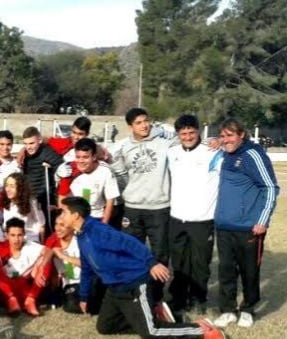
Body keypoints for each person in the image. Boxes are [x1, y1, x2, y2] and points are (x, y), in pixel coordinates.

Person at [59, 197, 226, 339]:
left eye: (64, 212)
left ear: (76, 215)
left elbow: (130, 242)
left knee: (150, 332)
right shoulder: (81, 235)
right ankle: (154, 317)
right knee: (105, 327)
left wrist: (151, 263)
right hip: (114, 288)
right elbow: (87, 268)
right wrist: (84, 296)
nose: (61, 216)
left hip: (134, 283)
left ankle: (201, 330)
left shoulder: (98, 231)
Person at [213, 118, 279, 329]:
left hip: (249, 227)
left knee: (249, 271)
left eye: (230, 135)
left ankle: (248, 309)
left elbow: (269, 188)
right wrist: (217, 142)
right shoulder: (225, 154)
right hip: (224, 225)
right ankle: (228, 310)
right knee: (226, 270)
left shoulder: (252, 154)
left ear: (242, 134)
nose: (226, 140)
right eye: (222, 136)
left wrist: (262, 221)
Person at [110, 108, 175, 301]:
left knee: (160, 254)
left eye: (146, 121)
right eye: (138, 123)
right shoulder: (123, 148)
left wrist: (214, 141)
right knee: (131, 252)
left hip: (159, 207)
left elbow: (189, 140)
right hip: (133, 208)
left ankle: (155, 297)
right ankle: (135, 293)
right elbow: (120, 175)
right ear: (130, 127)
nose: (144, 125)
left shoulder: (165, 143)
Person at [166, 115, 222, 317]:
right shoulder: (171, 152)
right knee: (179, 263)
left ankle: (199, 299)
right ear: (178, 134)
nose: (188, 136)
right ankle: (178, 298)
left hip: (203, 219)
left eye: (191, 132)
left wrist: (220, 140)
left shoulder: (213, 151)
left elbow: (237, 145)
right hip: (177, 217)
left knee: (200, 263)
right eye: (183, 133)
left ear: (198, 131)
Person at [0, 218, 48, 316]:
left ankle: (31, 300)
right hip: (5, 291)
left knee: (46, 259)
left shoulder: (30, 246)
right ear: (6, 235)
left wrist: (40, 266)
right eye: (13, 235)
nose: (16, 239)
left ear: (24, 234)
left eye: (19, 235)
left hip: (25, 289)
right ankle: (11, 300)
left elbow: (49, 251)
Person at [64, 138, 120, 224]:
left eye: (85, 157)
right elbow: (65, 195)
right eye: (78, 157)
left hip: (96, 218)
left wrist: (103, 225)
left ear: (94, 157)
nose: (81, 161)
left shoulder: (105, 171)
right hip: (75, 217)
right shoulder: (70, 169)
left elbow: (110, 201)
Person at [19, 126, 63, 230]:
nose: (28, 147)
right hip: (30, 197)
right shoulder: (24, 153)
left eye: (31, 143)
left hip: (44, 197)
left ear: (39, 140)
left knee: (47, 227)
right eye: (25, 144)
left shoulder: (47, 152)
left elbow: (61, 167)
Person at [0, 173, 45, 245]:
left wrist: (41, 245)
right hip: (10, 240)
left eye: (12, 186)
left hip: (29, 240)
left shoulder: (31, 202)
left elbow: (41, 224)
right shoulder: (6, 201)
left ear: (20, 188)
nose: (8, 189)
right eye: (6, 186)